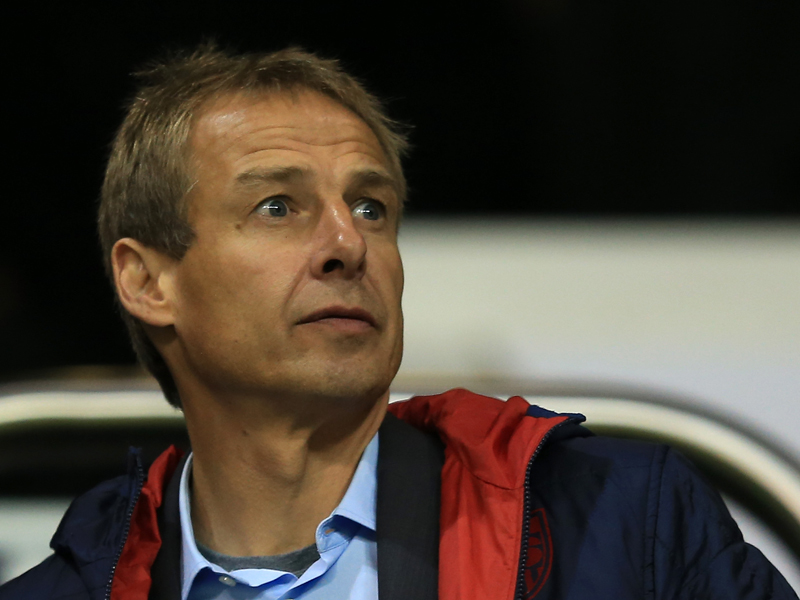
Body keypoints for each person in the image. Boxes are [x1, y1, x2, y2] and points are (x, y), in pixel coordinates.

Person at [0, 44, 796, 600]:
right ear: (147, 282)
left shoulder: (624, 530)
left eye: (371, 207)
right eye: (277, 207)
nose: (347, 244)